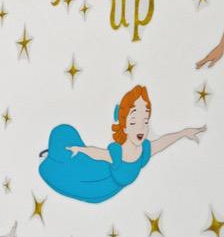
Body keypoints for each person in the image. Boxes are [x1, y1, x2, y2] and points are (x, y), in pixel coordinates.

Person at [37, 85, 204, 204]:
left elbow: (162, 142)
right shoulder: (118, 153)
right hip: (97, 177)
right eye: (134, 121)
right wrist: (80, 149)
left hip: (106, 187)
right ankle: (53, 155)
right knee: (69, 171)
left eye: (145, 121)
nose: (140, 127)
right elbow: (98, 153)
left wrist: (183, 133)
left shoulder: (143, 151)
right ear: (124, 126)